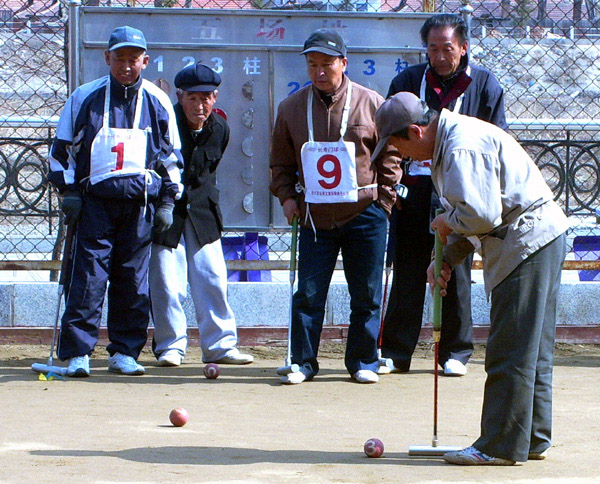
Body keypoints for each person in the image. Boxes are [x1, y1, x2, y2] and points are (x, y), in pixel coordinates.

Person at [373, 91, 569, 465]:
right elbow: (473, 215)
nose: (398, 156)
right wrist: (444, 257)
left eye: (397, 147)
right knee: (532, 348)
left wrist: (446, 224)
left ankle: (498, 445)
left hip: (526, 241)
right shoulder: (450, 141)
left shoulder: (461, 146)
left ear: (415, 132)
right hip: (538, 237)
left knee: (510, 346)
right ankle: (530, 437)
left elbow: (481, 214)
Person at [270, 29, 402, 385]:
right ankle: (303, 362)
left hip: (365, 211)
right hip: (315, 217)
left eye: (327, 63)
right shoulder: (291, 108)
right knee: (309, 293)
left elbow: (390, 154)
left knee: (367, 293)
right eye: (312, 64)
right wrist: (287, 198)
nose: (319, 71)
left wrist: (385, 202)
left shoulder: (371, 102)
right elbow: (280, 163)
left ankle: (363, 361)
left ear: (344, 63)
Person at [48, 26, 182, 377]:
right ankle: (78, 352)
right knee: (88, 278)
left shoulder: (158, 100)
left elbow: (170, 158)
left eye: (133, 59)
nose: (126, 65)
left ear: (145, 61)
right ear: (107, 58)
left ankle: (124, 351)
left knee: (132, 281)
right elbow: (62, 153)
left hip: (139, 206)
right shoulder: (84, 97)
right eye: (119, 58)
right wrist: (70, 192)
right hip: (95, 205)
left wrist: (167, 201)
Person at [381, 13, 507, 376]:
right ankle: (396, 350)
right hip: (415, 190)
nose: (439, 56)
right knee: (407, 269)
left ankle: (456, 351)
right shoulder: (407, 82)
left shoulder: (483, 84)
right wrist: (394, 184)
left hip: (460, 190)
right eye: (432, 48)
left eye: (447, 48)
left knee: (455, 268)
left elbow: (497, 137)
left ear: (463, 47)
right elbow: (391, 137)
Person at [148, 62, 253, 367]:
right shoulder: (164, 124)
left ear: (215, 98)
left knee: (213, 279)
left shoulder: (219, 128)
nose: (200, 105)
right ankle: (171, 346)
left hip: (203, 213)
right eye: (192, 98)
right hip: (168, 214)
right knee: (168, 283)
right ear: (179, 97)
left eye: (206, 97)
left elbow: (209, 170)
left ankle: (220, 345)